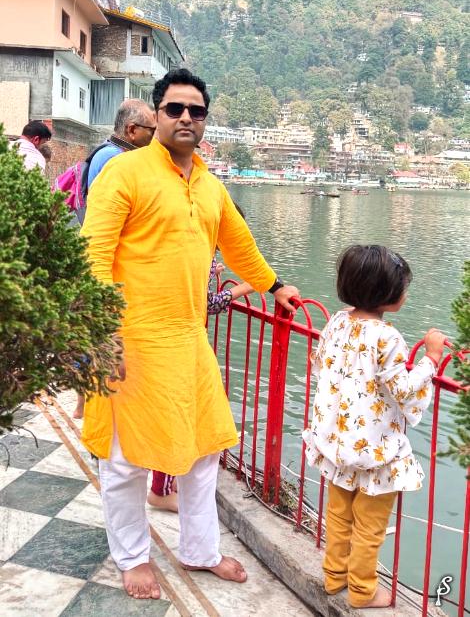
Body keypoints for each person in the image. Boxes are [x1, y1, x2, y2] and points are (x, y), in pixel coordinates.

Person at [81, 67, 299, 600]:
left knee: (204, 451)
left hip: (187, 338)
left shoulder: (210, 185)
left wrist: (274, 286)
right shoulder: (125, 173)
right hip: (131, 338)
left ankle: (199, 550)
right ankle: (132, 557)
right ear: (156, 115)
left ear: (204, 120)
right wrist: (102, 333)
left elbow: (240, 245)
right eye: (174, 108)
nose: (185, 118)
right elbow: (93, 253)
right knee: (125, 459)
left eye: (196, 111)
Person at [302, 244, 446, 609]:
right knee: (369, 526)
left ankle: (334, 577)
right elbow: (403, 389)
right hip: (374, 449)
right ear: (387, 294)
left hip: (337, 442)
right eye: (404, 286)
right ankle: (363, 591)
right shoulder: (387, 337)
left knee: (338, 516)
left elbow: (319, 364)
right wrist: (430, 359)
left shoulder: (337, 321)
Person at [148, 243, 254, 513]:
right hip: (181, 342)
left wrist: (213, 270)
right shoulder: (200, 247)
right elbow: (206, 303)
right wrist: (244, 288)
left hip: (169, 337)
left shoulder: (193, 245)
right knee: (177, 418)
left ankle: (169, 481)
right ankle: (160, 490)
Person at [73, 98, 157, 420]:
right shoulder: (115, 160)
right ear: (132, 130)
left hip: (106, 261)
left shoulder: (110, 153)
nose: (155, 136)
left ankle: (87, 402)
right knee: (98, 336)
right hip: (106, 264)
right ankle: (88, 405)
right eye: (151, 130)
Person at [86, 98, 157, 188]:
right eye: (153, 131)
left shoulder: (110, 151)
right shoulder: (114, 158)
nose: (156, 136)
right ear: (132, 130)